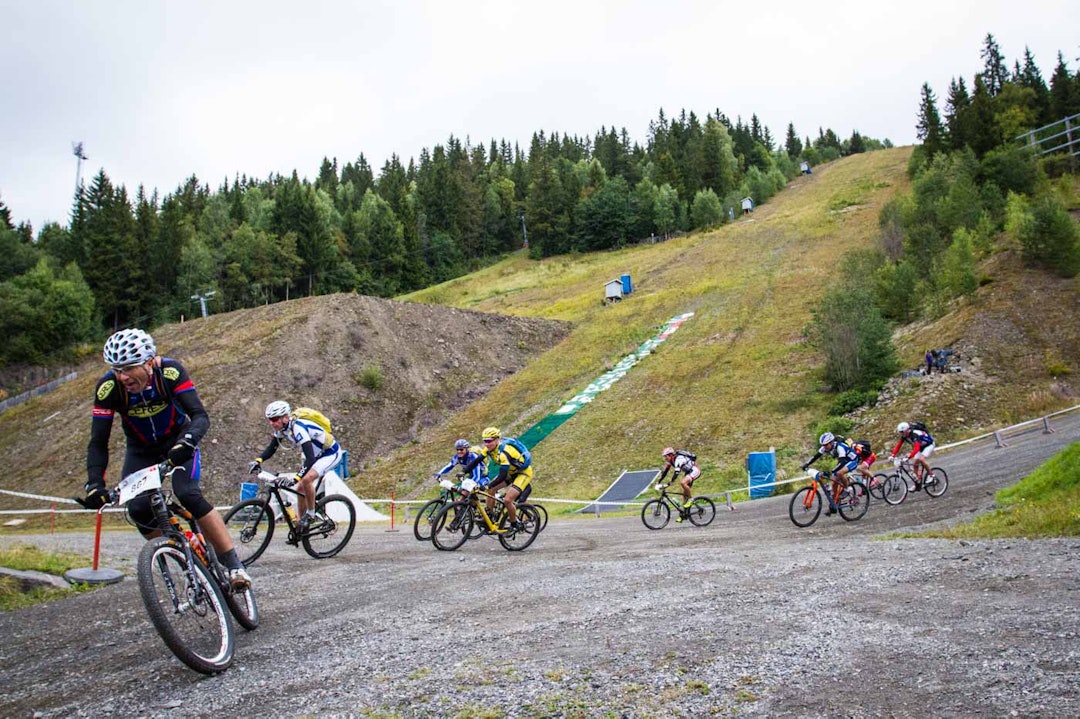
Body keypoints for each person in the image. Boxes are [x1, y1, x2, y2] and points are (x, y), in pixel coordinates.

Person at [81, 329, 251, 589]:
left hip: (179, 440)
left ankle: (234, 566)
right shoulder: (108, 388)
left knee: (187, 493)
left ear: (149, 362)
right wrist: (94, 483)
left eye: (128, 368)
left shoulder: (169, 372)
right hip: (141, 450)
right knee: (138, 509)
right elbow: (98, 441)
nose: (123, 377)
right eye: (117, 370)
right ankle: (185, 558)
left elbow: (199, 415)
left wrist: (187, 442)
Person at [249, 401, 343, 537]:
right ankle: (300, 523)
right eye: (269, 420)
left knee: (305, 480)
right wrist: (258, 460)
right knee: (299, 489)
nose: (271, 423)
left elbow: (310, 459)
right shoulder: (282, 429)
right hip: (317, 455)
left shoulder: (298, 428)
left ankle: (310, 515)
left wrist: (296, 477)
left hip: (330, 453)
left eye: (274, 419)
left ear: (285, 418)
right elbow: (272, 448)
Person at [459, 427, 532, 532]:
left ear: (497, 440)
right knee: (491, 490)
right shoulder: (488, 450)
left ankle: (514, 523)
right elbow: (476, 461)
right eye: (485, 441)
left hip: (522, 474)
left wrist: (488, 485)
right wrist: (464, 471)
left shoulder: (504, 453)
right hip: (510, 473)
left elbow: (502, 475)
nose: (486, 444)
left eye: (489, 441)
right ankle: (489, 516)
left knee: (507, 500)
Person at [800, 432, 860, 515]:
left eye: (826, 445)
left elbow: (842, 462)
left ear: (831, 442)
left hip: (852, 460)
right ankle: (834, 504)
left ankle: (847, 489)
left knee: (839, 473)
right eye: (823, 445)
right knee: (834, 483)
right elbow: (816, 456)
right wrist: (807, 464)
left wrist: (831, 472)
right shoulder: (825, 447)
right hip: (843, 460)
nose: (824, 447)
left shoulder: (840, 447)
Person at [656, 447, 702, 522]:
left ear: (670, 455)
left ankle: (691, 499)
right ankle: (684, 514)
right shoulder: (670, 461)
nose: (665, 458)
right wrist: (659, 481)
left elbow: (676, 472)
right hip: (688, 472)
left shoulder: (678, 459)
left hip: (694, 470)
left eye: (665, 456)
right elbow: (665, 472)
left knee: (683, 483)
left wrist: (670, 482)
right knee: (684, 495)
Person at [889, 421, 936, 486]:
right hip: (921, 447)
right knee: (915, 464)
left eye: (901, 432)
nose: (900, 434)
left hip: (929, 445)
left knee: (922, 459)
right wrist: (892, 455)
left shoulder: (914, 434)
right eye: (900, 432)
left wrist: (909, 457)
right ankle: (917, 483)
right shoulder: (904, 435)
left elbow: (916, 448)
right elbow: (898, 445)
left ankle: (931, 476)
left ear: (907, 430)